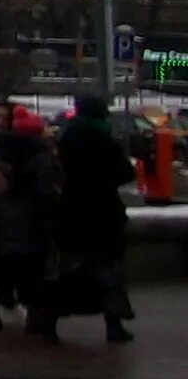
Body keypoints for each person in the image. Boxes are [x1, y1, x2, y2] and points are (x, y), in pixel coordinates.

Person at [53, 92, 137, 345]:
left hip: (72, 212)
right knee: (108, 270)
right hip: (103, 213)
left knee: (69, 270)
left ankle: (48, 318)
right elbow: (126, 172)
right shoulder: (105, 141)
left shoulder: (66, 139)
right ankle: (113, 324)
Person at [0, 103, 60, 340]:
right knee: (36, 269)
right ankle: (34, 319)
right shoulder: (40, 156)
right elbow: (46, 191)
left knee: (17, 265)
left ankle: (4, 302)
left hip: (8, 218)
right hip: (33, 220)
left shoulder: (3, 151)